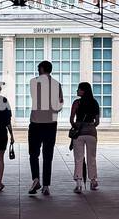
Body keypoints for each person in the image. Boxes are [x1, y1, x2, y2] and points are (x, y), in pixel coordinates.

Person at [27, 59, 63, 196]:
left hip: (36, 122)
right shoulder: (57, 84)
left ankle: (36, 179)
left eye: (38, 68)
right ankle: (46, 185)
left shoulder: (33, 82)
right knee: (48, 155)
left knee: (33, 154)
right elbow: (59, 106)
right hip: (51, 124)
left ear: (42, 69)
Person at [69, 81, 101, 193]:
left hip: (79, 133)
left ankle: (78, 184)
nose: (77, 91)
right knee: (91, 158)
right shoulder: (95, 103)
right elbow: (97, 122)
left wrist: (76, 126)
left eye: (79, 89)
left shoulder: (76, 103)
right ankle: (93, 181)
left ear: (84, 90)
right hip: (92, 133)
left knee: (79, 158)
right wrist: (90, 125)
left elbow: (71, 120)